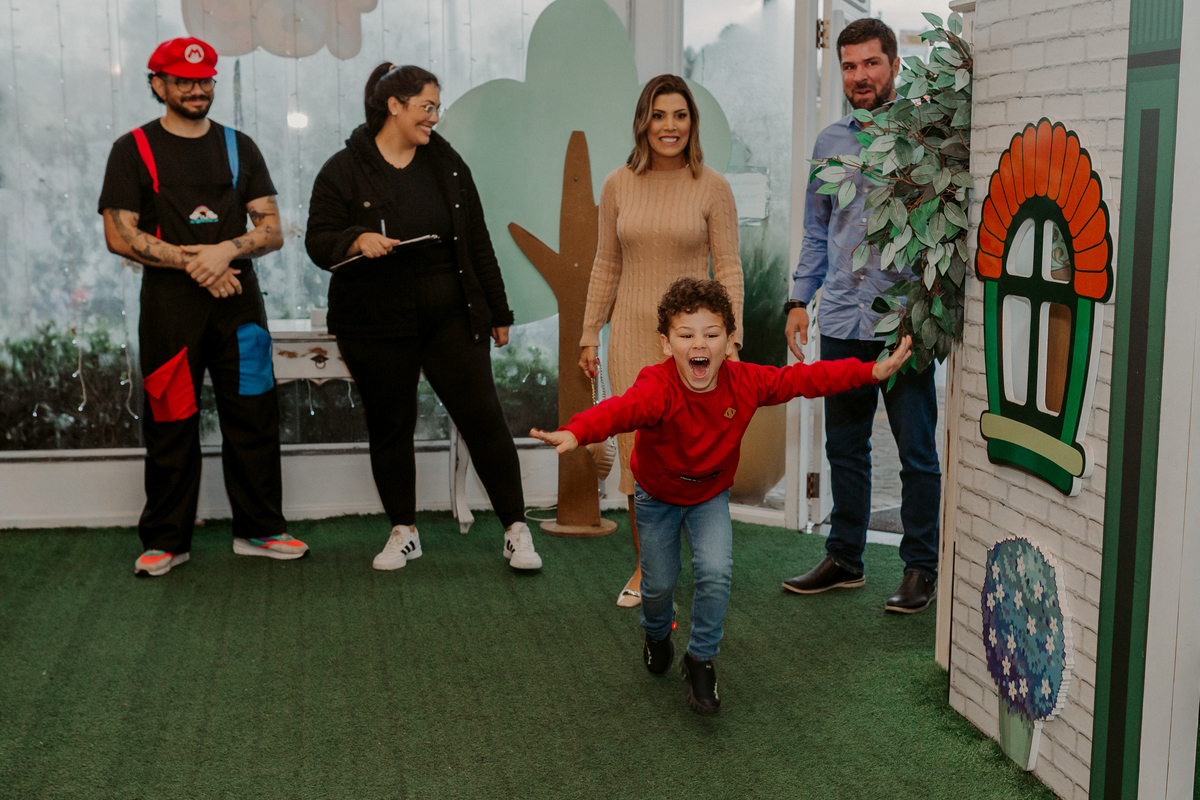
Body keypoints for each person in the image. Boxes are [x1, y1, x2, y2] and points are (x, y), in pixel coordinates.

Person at [534, 278, 913, 713]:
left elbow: (804, 379)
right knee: (657, 586)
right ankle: (656, 634)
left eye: (711, 334)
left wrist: (869, 372)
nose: (700, 344)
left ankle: (700, 659)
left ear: (729, 343)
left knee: (715, 573)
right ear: (666, 344)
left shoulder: (745, 381)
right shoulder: (657, 386)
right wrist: (578, 430)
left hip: (709, 495)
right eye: (686, 335)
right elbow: (619, 409)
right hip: (657, 496)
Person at [305, 63, 541, 572]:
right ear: (394, 106)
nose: (434, 117)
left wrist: (498, 309)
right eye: (426, 107)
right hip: (374, 322)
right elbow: (317, 241)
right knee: (390, 426)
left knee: (483, 419)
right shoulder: (342, 169)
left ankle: (516, 530)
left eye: (437, 108)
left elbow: (477, 240)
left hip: (450, 316)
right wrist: (356, 239)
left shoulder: (448, 165)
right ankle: (403, 531)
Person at [99, 37, 309, 576]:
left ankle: (261, 530)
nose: (197, 89)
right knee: (171, 419)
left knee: (254, 414)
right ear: (158, 84)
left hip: (239, 305)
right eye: (184, 81)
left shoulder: (240, 147)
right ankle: (167, 541)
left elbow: (271, 229)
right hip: (170, 308)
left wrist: (224, 252)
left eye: (205, 80)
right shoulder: (132, 149)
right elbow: (120, 235)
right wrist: (200, 263)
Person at [781, 18, 941, 613]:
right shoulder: (830, 142)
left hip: (903, 325)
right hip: (843, 321)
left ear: (895, 65)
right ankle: (845, 558)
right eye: (849, 66)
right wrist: (799, 301)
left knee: (916, 452)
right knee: (844, 449)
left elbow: (942, 236)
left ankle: (920, 568)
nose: (860, 76)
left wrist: (926, 312)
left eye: (871, 63)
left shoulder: (925, 139)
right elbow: (817, 231)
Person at [579, 74, 743, 608]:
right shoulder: (617, 184)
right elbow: (606, 263)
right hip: (631, 336)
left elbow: (729, 267)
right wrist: (589, 332)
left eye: (679, 115)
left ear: (692, 122)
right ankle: (649, 570)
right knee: (638, 455)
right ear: (643, 122)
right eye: (658, 115)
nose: (669, 126)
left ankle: (698, 559)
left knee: (691, 451)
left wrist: (730, 338)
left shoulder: (713, 187)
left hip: (695, 344)